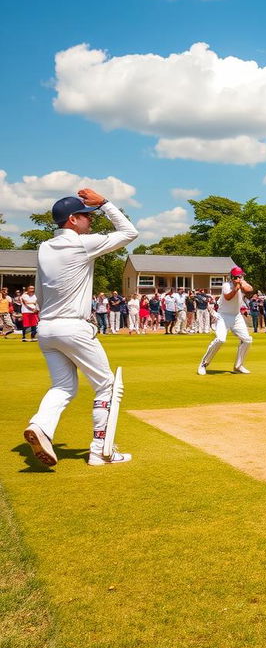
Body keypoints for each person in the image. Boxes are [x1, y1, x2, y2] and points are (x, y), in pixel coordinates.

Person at [23, 189, 138, 468]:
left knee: (62, 387)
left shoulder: (44, 248)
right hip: (73, 327)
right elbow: (129, 232)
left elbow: (39, 291)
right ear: (73, 219)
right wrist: (106, 204)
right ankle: (100, 450)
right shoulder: (81, 244)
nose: (91, 220)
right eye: (86, 216)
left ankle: (40, 426)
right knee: (106, 386)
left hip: (47, 329)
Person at [198, 266, 253, 375]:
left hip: (237, 316)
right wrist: (236, 287)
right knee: (220, 340)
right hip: (223, 316)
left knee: (247, 340)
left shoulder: (242, 283)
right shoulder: (226, 285)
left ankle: (238, 366)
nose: (241, 277)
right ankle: (204, 364)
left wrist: (241, 284)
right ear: (234, 277)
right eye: (240, 276)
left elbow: (249, 290)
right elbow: (228, 297)